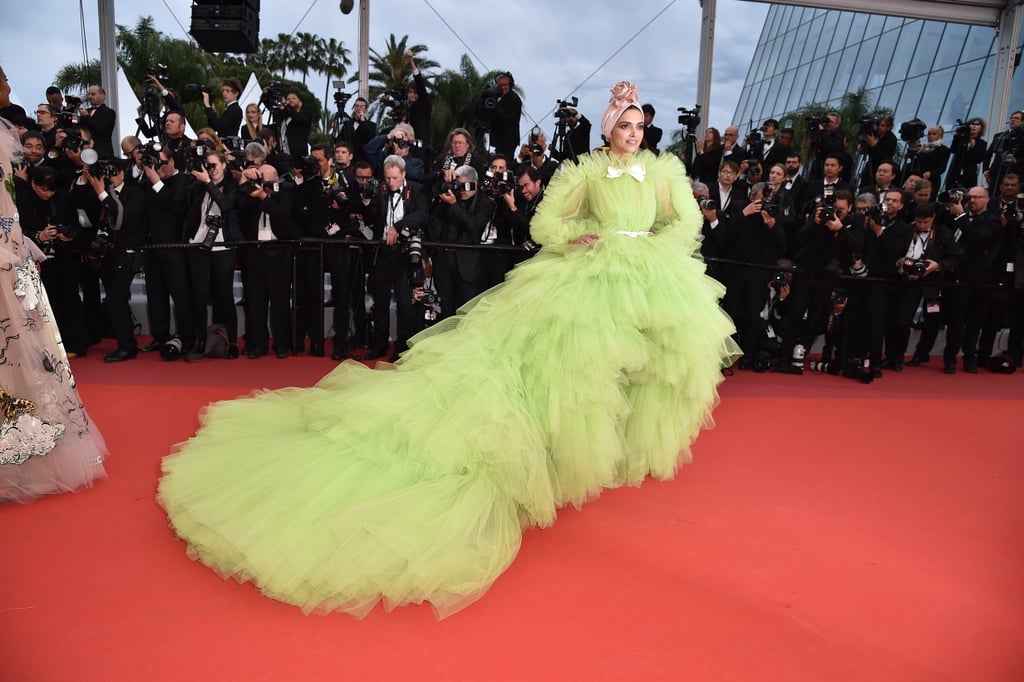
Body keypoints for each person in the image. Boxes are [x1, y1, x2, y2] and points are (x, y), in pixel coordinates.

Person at [157, 80, 738, 620]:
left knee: (650, 366)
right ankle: (561, 459)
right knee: (570, 368)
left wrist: (648, 246)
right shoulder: (585, 173)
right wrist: (583, 237)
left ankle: (607, 454)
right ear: (609, 130)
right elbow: (543, 225)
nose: (633, 133)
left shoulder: (663, 172)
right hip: (589, 275)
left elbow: (687, 223)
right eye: (624, 125)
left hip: (646, 278)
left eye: (638, 125)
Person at [0, 65, 107, 502]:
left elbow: (6, 206)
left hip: (9, 255)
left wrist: (15, 241)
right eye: (3, 77)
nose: (9, 84)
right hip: (6, 259)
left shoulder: (5, 134)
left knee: (24, 359)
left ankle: (28, 453)